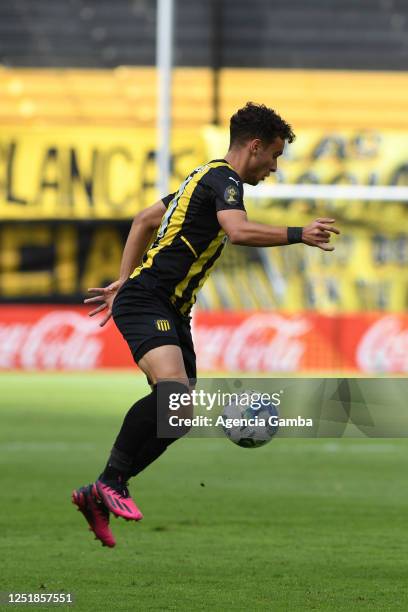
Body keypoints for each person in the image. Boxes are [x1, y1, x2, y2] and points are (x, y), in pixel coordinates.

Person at [72, 102, 339, 547]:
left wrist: (121, 277)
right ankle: (112, 481)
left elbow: (144, 219)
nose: (274, 167)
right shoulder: (224, 181)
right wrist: (299, 233)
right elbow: (237, 231)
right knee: (173, 392)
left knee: (177, 415)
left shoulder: (203, 178)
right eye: (273, 156)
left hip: (171, 308)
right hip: (149, 299)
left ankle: (100, 492)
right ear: (253, 147)